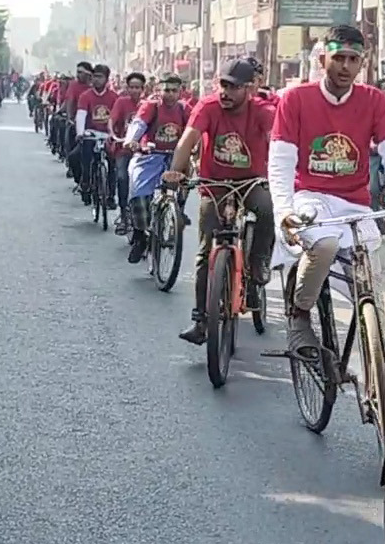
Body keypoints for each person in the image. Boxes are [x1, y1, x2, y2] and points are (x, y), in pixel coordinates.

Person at [269, 26, 385, 359]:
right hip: (310, 198)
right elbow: (280, 160)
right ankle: (299, 313)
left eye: (353, 59)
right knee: (325, 245)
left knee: (372, 297)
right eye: (338, 58)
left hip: (356, 205)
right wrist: (283, 211)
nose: (345, 67)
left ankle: (379, 388)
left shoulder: (374, 100)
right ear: (324, 59)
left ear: (361, 63)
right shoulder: (296, 98)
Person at [164, 58, 274, 344]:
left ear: (249, 89)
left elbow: (277, 142)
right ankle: (201, 320)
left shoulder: (263, 111)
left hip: (252, 182)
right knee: (204, 252)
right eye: (222, 85)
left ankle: (259, 263)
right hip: (214, 185)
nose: (225, 92)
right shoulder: (208, 107)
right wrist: (176, 170)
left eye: (233, 87)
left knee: (266, 209)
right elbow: (187, 141)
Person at [123, 72, 189, 263]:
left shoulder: (184, 109)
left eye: (174, 91)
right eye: (166, 90)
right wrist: (132, 141)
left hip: (174, 158)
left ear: (180, 92)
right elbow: (138, 124)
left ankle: (178, 214)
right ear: (159, 90)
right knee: (139, 195)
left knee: (186, 184)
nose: (170, 94)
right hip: (149, 157)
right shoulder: (151, 106)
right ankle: (140, 236)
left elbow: (195, 130)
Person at [72, 64, 119, 199]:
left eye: (100, 77)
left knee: (112, 163)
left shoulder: (114, 97)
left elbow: (117, 118)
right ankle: (85, 183)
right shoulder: (85, 96)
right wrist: (80, 133)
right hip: (89, 134)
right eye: (94, 77)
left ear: (106, 79)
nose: (97, 80)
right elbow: (81, 115)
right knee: (81, 157)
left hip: (108, 136)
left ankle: (110, 196)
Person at [111, 72, 146, 233]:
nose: (134, 90)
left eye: (137, 87)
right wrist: (114, 135)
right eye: (131, 87)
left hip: (143, 151)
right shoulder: (121, 102)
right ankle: (124, 214)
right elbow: (112, 121)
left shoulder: (148, 105)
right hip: (123, 150)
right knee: (122, 177)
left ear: (143, 89)